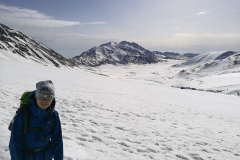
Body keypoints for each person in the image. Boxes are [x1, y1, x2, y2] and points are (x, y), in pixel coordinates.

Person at [9, 80, 63, 160]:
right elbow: (15, 143)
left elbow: (58, 141)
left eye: (49, 97)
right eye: (41, 96)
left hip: (45, 157)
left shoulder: (53, 115)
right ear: (36, 96)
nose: (44, 100)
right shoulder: (23, 115)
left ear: (53, 98)